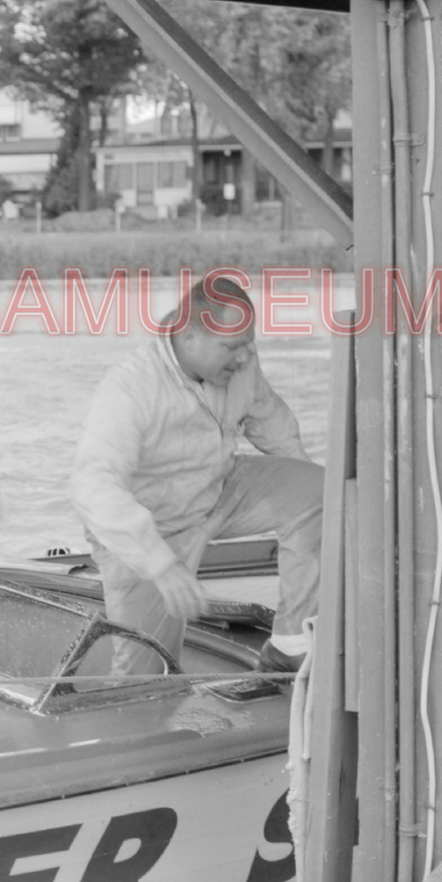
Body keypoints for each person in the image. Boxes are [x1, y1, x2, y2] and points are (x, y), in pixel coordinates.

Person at [70, 274, 323, 676]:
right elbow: (91, 487)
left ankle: (290, 644)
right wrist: (161, 565)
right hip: (154, 527)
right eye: (232, 347)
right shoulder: (130, 388)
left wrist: (321, 518)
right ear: (189, 338)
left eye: (248, 343)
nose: (245, 357)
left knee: (317, 491)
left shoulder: (240, 362)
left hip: (219, 489)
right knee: (147, 679)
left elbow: (271, 422)